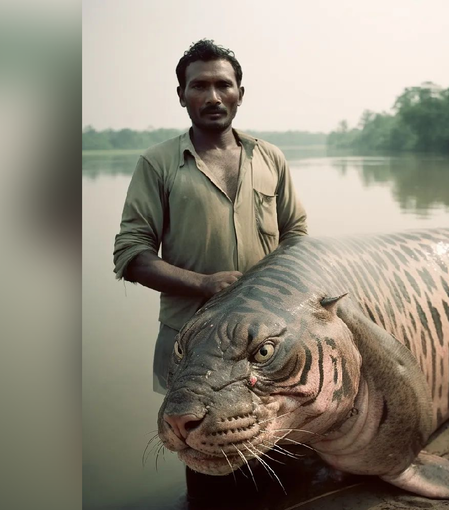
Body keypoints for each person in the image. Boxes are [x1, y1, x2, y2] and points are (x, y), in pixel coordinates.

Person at [113, 39, 308, 395]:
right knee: (196, 440)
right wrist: (203, 285)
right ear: (181, 94)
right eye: (200, 85)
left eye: (223, 85)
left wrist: (274, 289)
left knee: (274, 437)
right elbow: (131, 256)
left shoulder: (270, 158)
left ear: (240, 92)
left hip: (266, 340)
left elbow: (295, 233)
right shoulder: (158, 163)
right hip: (191, 341)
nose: (213, 96)